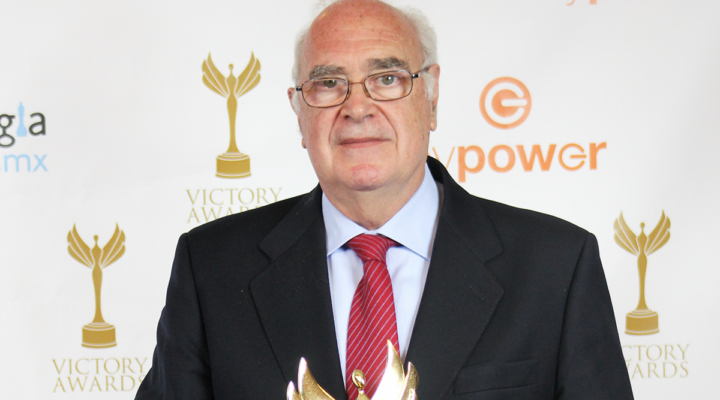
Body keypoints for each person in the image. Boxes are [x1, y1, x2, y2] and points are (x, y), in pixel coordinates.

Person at [136, 0, 634, 399]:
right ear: (299, 112)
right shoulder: (212, 268)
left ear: (431, 98)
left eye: (387, 79)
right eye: (328, 84)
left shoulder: (555, 265)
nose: (357, 107)